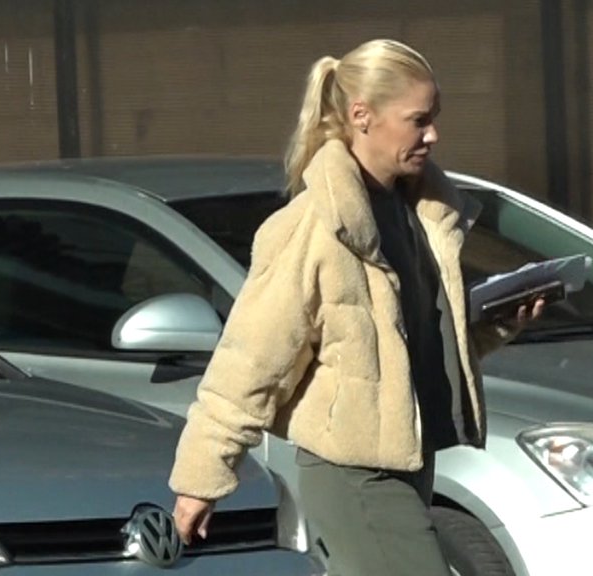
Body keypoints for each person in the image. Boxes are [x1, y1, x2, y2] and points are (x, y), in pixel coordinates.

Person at [169, 38, 544, 576]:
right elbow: (252, 358)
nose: (432, 135)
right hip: (353, 474)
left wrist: (497, 323)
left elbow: (407, 347)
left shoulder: (418, 214)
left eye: (434, 118)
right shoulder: (313, 226)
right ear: (361, 116)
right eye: (418, 121)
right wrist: (201, 477)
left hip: (409, 462)